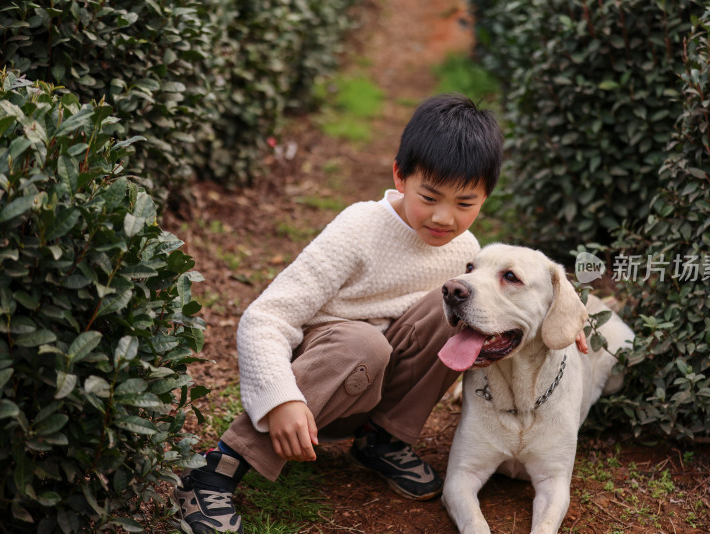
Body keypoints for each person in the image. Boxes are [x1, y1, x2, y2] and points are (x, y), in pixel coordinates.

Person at [175, 94, 504, 533]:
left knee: (460, 305)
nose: (445, 217)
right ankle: (215, 471)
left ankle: (382, 439)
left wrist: (565, 327)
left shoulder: (465, 252)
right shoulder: (359, 229)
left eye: (465, 203)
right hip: (317, 387)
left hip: (377, 386)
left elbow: (497, 316)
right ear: (400, 176)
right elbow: (265, 317)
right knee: (363, 342)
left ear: (485, 197)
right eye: (430, 196)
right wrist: (282, 398)